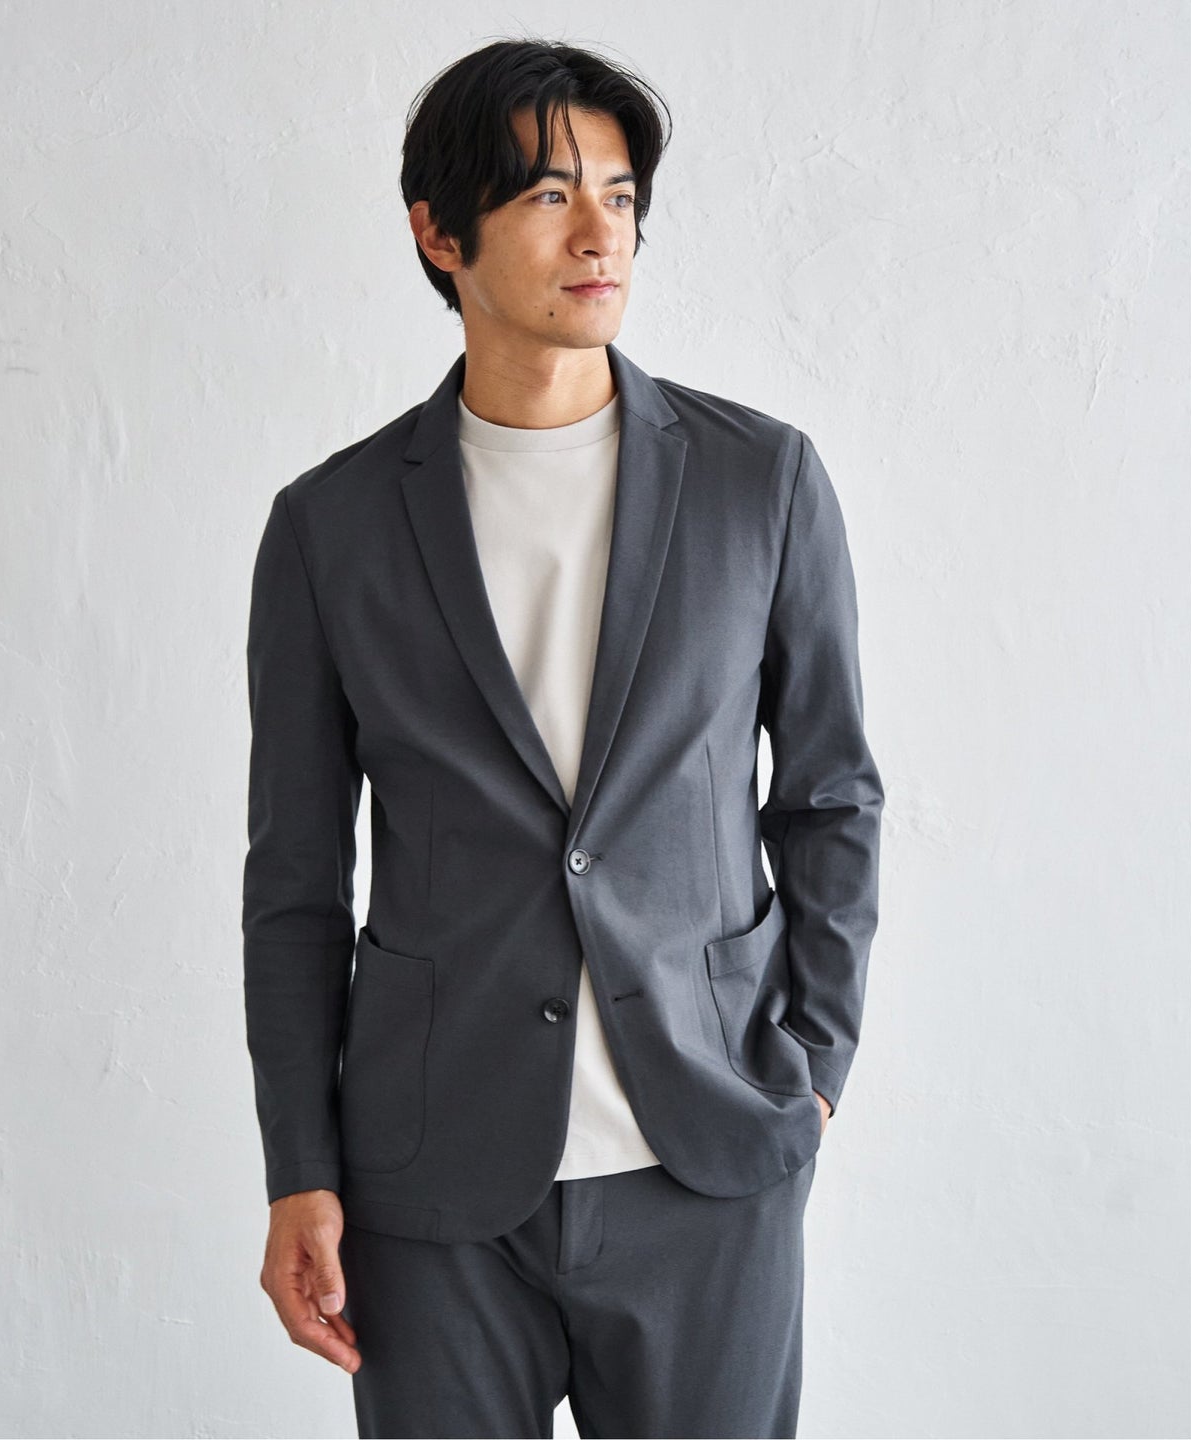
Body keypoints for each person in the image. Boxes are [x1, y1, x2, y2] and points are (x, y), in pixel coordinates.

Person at [242, 36, 884, 1440]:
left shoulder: (759, 482)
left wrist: (814, 1072)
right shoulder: (331, 528)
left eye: (620, 194)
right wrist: (299, 1163)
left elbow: (831, 797)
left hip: (708, 1160)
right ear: (439, 233)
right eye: (548, 195)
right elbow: (294, 880)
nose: (602, 232)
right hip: (431, 1189)